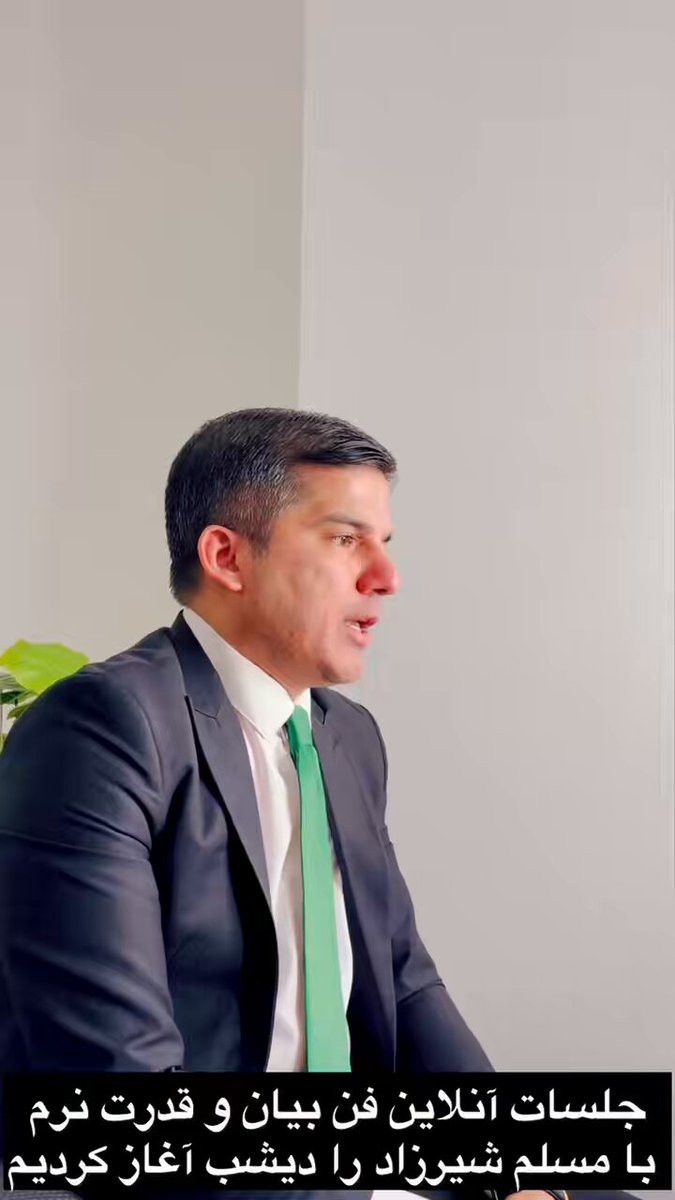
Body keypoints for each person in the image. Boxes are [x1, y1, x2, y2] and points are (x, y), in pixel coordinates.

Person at [0, 408, 628, 1200]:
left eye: (384, 543)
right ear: (226, 556)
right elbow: (119, 1083)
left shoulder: (344, 736)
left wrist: (512, 1171)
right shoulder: (103, 728)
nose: (385, 577)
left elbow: (404, 980)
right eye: (344, 539)